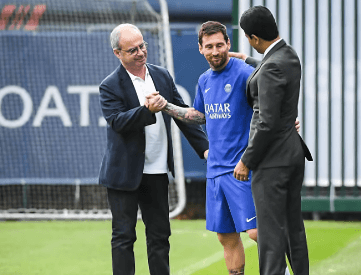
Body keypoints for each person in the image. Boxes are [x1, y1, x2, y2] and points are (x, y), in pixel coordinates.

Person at [153, 21, 293, 275]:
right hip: (216, 171)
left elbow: (276, 86)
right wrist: (166, 107)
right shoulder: (204, 80)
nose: (215, 51)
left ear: (228, 44)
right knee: (226, 237)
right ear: (200, 49)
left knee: (256, 232)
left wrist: (286, 119)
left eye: (220, 45)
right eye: (209, 46)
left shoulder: (243, 72)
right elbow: (199, 115)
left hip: (242, 168)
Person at [98, 23, 209, 275]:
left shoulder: (162, 75)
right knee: (124, 237)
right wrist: (146, 111)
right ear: (118, 53)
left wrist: (204, 149)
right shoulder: (109, 85)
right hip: (123, 174)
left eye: (142, 46)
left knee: (160, 236)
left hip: (157, 171)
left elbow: (182, 114)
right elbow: (117, 122)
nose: (140, 52)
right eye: (132, 49)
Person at [233, 6, 313, 275]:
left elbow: (265, 123)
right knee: (293, 228)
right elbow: (273, 68)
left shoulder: (270, 68)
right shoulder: (289, 55)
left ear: (254, 38)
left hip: (272, 161)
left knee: (269, 235)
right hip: (293, 154)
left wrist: (247, 160)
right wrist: (249, 60)